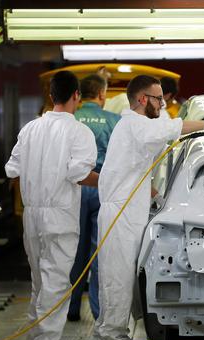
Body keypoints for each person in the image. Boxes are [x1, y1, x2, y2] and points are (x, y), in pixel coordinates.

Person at [94, 75, 204, 340]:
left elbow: (137, 170)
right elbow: (170, 128)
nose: (164, 103)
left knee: (127, 288)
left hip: (131, 212)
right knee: (116, 284)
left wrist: (157, 196)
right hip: (120, 216)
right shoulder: (134, 123)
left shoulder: (138, 127)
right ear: (143, 99)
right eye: (159, 99)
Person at [5, 70, 98, 340]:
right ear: (77, 96)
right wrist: (114, 180)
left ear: (50, 95)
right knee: (56, 282)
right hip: (59, 215)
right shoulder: (79, 132)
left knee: (39, 283)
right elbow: (80, 174)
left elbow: (12, 169)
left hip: (31, 216)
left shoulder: (30, 129)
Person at [67, 74, 121, 323]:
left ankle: (71, 308)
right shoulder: (114, 121)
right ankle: (100, 312)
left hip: (73, 190)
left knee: (73, 251)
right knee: (100, 251)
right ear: (101, 94)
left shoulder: (70, 120)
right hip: (103, 189)